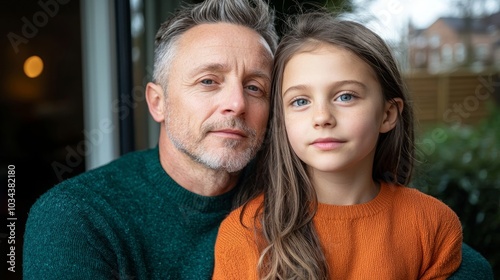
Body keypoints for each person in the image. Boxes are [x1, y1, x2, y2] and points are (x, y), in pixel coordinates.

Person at [22, 0, 277, 279]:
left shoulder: (292, 201)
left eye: (255, 87)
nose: (237, 103)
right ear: (158, 102)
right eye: (208, 81)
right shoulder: (76, 216)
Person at [213, 12, 464, 279]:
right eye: (300, 101)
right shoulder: (244, 234)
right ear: (281, 120)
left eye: (345, 96)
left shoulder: (433, 223)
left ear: (388, 114)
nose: (322, 117)